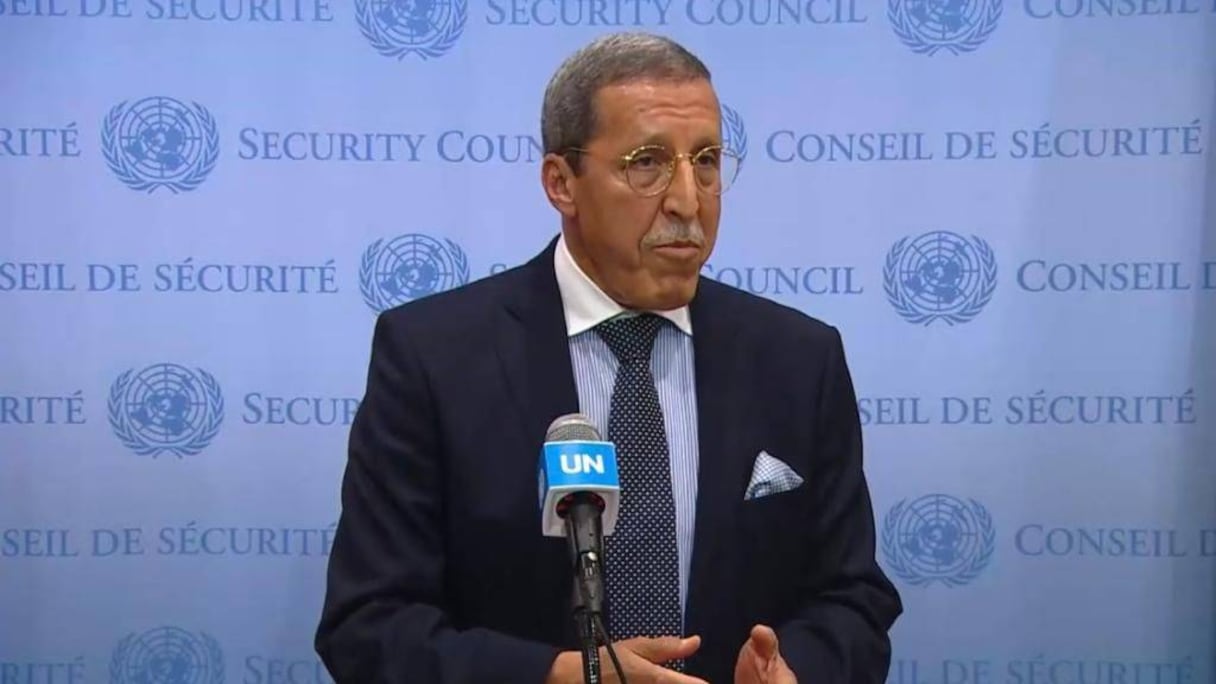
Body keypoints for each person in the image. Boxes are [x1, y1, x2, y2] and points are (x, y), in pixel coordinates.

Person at [315, 31, 902, 684]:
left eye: (707, 161)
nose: (688, 201)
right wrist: (559, 676)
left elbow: (853, 600)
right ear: (561, 183)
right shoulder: (434, 357)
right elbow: (369, 626)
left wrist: (795, 670)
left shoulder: (798, 359)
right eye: (647, 163)